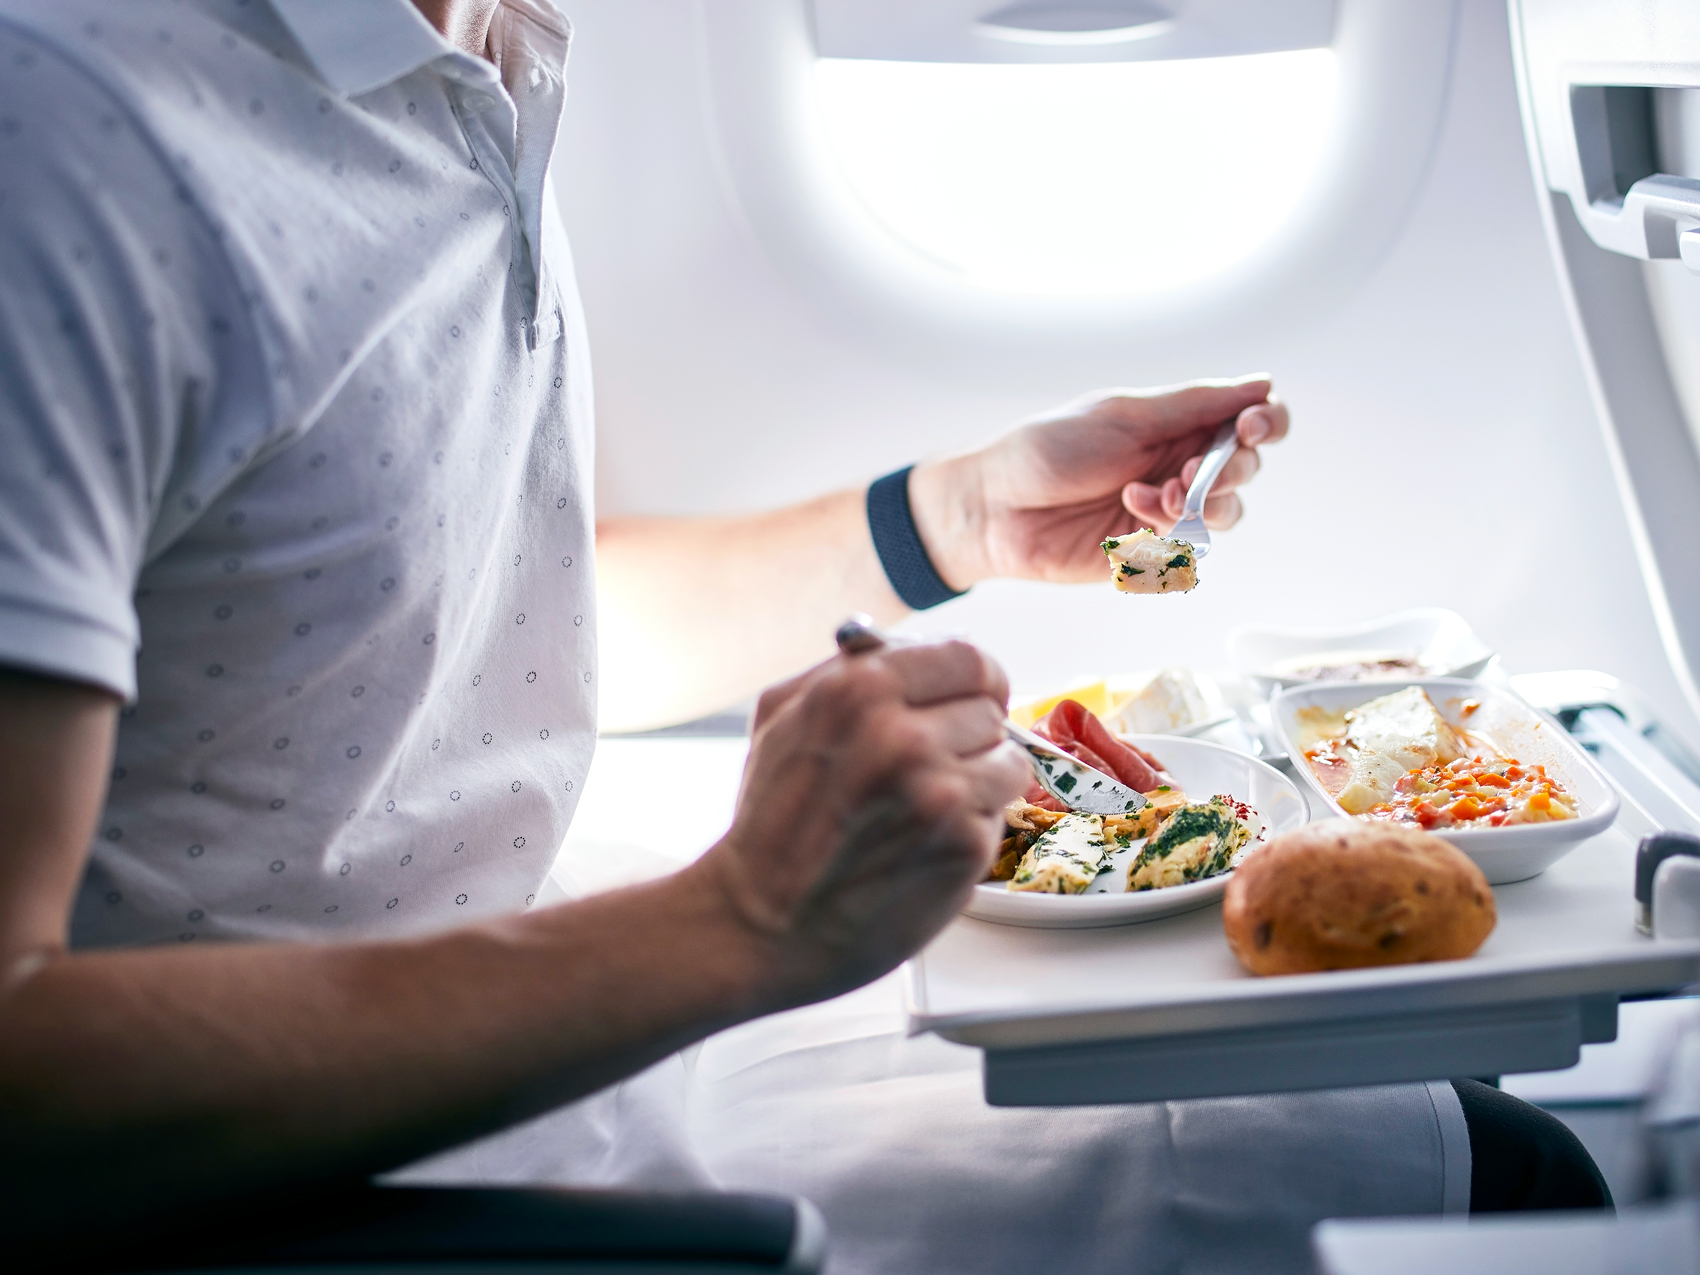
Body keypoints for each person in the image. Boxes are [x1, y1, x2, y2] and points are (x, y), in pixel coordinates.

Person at [0, 0, 1606, 1271]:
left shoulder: (484, 49)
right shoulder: (70, 137)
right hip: (370, 1173)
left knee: (1442, 1117)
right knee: (1506, 1181)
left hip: (563, 1007)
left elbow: (457, 636)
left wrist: (954, 520)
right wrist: (741, 919)